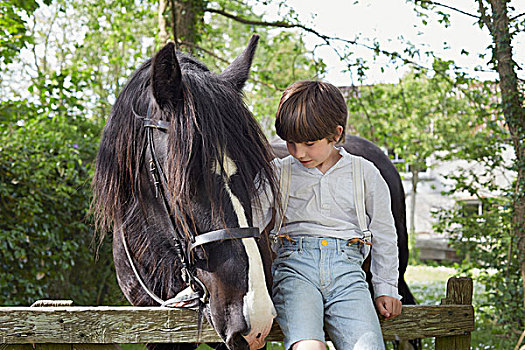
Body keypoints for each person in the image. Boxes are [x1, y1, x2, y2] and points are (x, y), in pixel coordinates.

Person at [253, 80, 402, 350]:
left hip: (349, 275)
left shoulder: (364, 173)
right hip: (294, 272)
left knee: (368, 347)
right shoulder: (277, 172)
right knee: (309, 347)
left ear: (336, 133)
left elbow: (384, 233)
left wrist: (385, 287)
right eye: (290, 143)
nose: (299, 152)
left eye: (309, 143)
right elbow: (249, 227)